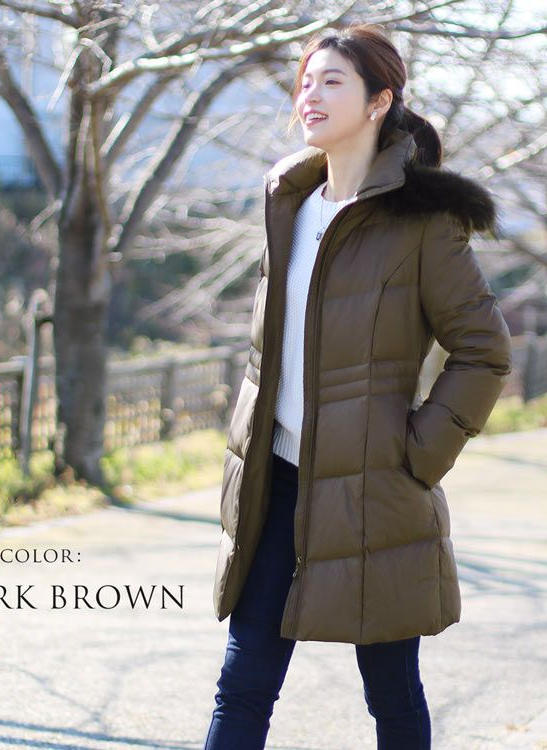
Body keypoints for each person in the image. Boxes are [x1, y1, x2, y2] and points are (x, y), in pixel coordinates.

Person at [203, 22, 512, 750]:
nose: (309, 95)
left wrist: (418, 453)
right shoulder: (288, 201)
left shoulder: (422, 223)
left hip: (375, 491)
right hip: (276, 482)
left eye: (331, 81)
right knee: (242, 685)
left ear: (379, 101)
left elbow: (484, 350)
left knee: (391, 695)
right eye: (305, 81)